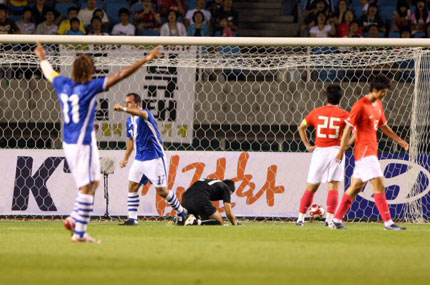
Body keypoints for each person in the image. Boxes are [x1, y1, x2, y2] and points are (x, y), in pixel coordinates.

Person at [34, 42, 161, 242]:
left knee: (92, 183)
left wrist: (42, 57)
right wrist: (145, 59)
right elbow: (120, 76)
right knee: (87, 187)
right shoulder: (89, 87)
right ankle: (79, 231)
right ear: (89, 72)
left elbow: (48, 71)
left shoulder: (63, 83)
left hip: (69, 142)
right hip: (83, 143)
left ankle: (75, 220)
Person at [331, 74, 409, 231]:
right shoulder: (360, 105)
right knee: (380, 183)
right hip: (365, 151)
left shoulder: (378, 104)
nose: (385, 95)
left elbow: (383, 126)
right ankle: (388, 222)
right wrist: (341, 150)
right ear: (374, 89)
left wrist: (399, 140)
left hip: (371, 151)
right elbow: (347, 128)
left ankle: (336, 219)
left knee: (355, 187)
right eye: (383, 92)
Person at [114, 92, 188, 226]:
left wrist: (123, 109)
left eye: (129, 103)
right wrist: (125, 158)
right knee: (132, 185)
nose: (127, 105)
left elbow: (142, 114)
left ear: (137, 104)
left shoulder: (145, 114)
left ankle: (182, 212)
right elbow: (131, 140)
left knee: (162, 191)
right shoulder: (129, 121)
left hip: (154, 158)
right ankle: (132, 219)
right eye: (125, 103)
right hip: (139, 159)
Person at [296, 85, 352, 227]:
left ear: (326, 97)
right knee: (333, 186)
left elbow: (301, 127)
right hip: (336, 151)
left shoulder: (317, 112)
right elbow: (356, 130)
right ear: (341, 98)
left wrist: (308, 145)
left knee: (311, 187)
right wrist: (346, 144)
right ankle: (329, 219)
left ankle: (300, 219)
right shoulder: (345, 114)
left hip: (319, 152)